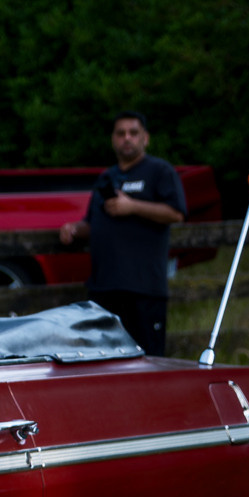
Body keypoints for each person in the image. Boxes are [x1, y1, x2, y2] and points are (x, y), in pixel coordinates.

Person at [60, 110, 185, 355]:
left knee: (147, 361)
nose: (127, 138)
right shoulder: (106, 177)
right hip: (104, 290)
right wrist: (74, 229)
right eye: (121, 133)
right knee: (102, 361)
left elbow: (176, 213)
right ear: (113, 139)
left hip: (143, 290)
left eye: (133, 133)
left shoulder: (160, 172)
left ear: (145, 138)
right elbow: (93, 224)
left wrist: (133, 206)